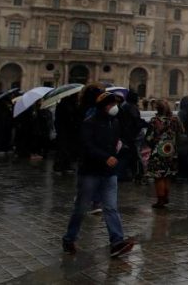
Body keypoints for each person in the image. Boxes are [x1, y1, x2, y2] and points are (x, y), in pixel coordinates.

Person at [61, 92, 136, 258]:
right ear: (104, 107)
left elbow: (118, 142)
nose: (114, 108)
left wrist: (120, 151)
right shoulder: (90, 123)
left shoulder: (115, 122)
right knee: (81, 207)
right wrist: (105, 157)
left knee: (111, 207)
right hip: (91, 171)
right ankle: (69, 238)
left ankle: (116, 242)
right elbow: (87, 146)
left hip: (109, 172)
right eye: (111, 105)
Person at [146, 99, 184, 208]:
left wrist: (153, 145)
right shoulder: (175, 120)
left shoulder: (154, 121)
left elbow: (148, 138)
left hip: (158, 152)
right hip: (171, 151)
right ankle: (166, 196)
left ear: (157, 109)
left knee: (158, 176)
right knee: (167, 175)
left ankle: (161, 199)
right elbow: (181, 133)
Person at [53, 93, 82, 173]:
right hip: (64, 130)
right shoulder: (64, 105)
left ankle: (66, 165)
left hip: (70, 130)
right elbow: (62, 119)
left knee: (69, 148)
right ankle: (59, 166)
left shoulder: (74, 105)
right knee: (63, 149)